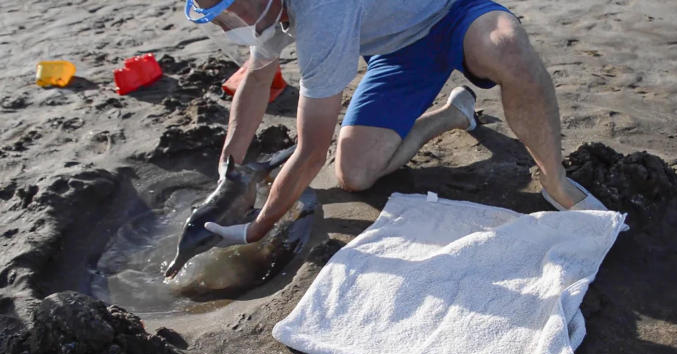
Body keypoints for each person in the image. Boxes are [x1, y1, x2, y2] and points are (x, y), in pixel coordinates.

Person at [186, 0, 608, 246]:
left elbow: (311, 149)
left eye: (226, 11)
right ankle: (451, 116)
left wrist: (259, 228)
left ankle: (555, 180)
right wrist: (231, 164)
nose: (229, 26)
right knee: (354, 174)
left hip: (453, 13)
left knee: (507, 49)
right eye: (214, 17)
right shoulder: (268, 12)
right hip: (397, 53)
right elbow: (258, 77)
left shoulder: (320, 13)